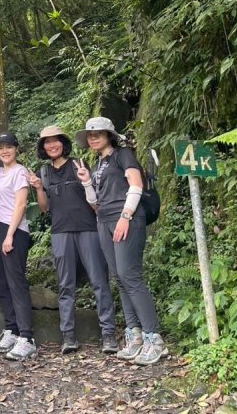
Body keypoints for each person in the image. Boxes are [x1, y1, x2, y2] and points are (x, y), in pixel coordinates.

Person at [75, 117, 167, 365]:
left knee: (131, 276)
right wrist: (86, 181)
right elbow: (94, 204)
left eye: (98, 134)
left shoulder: (123, 155)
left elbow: (136, 185)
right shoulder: (97, 165)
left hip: (126, 217)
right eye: (90, 135)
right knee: (119, 278)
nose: (93, 138)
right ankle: (134, 334)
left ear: (109, 135)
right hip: (103, 220)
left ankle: (153, 338)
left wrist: (126, 217)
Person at [28, 125, 118, 355]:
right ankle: (68, 336)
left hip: (88, 229)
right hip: (60, 233)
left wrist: (86, 179)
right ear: (42, 147)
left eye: (55, 140)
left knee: (99, 281)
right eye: (46, 142)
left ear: (63, 143)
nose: (51, 145)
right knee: (65, 285)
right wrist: (38, 188)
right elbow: (44, 208)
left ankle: (108, 334)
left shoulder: (79, 164)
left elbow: (93, 198)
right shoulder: (44, 172)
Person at [0, 128, 37, 361]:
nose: (4, 151)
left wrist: (10, 236)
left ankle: (27, 337)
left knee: (16, 282)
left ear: (16, 149)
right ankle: (11, 330)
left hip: (14, 230)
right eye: (0, 148)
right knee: (3, 282)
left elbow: (21, 206)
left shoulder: (20, 172)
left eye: (8, 147)